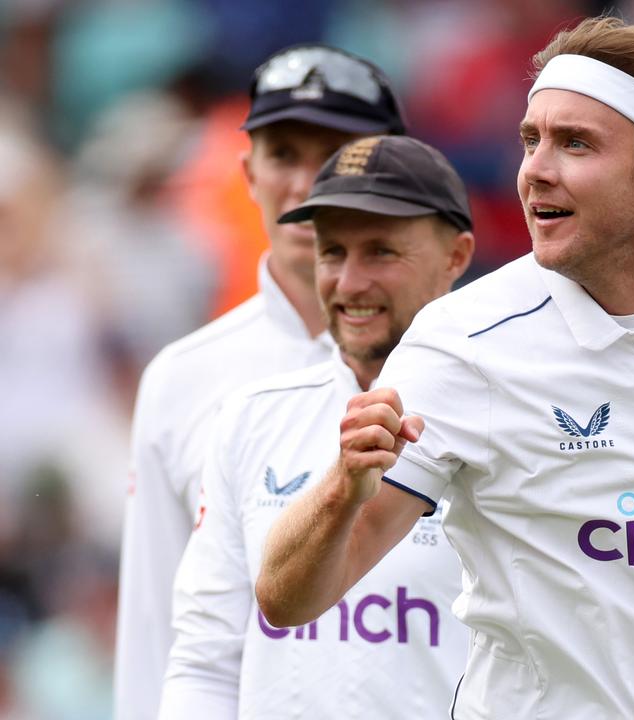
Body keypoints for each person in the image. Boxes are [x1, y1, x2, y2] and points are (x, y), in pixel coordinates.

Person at [256, 16, 634, 720]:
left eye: (575, 143)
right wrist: (344, 486)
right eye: (532, 140)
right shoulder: (464, 339)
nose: (536, 171)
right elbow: (287, 598)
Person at [114, 44, 407, 720]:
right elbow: (157, 629)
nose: (307, 184)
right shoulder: (183, 380)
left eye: (337, 154)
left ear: (398, 171)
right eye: (284, 155)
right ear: (247, 173)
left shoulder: (458, 361)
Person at [159, 135, 474, 718]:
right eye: (333, 252)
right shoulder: (251, 417)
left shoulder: (505, 420)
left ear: (456, 256)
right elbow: (207, 659)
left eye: (380, 251)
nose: (349, 283)